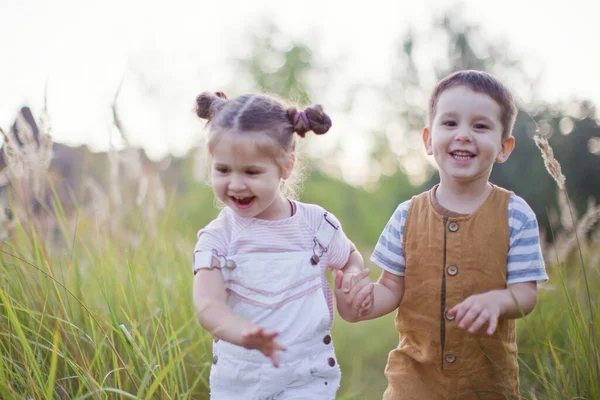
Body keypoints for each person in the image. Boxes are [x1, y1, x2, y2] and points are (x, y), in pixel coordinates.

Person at [346, 70, 548, 399]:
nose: (464, 135)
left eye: (480, 126)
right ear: (428, 139)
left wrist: (496, 300)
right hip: (412, 383)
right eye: (450, 123)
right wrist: (361, 301)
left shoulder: (516, 214)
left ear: (504, 146)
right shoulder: (406, 215)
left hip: (486, 385)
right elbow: (389, 289)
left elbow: (526, 295)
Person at [191, 91, 373, 400]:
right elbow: (207, 304)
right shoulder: (218, 237)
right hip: (239, 381)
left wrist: (352, 278)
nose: (235, 184)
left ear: (286, 166)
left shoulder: (317, 226)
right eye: (223, 170)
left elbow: (349, 258)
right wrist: (240, 331)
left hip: (307, 378)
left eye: (251, 172)